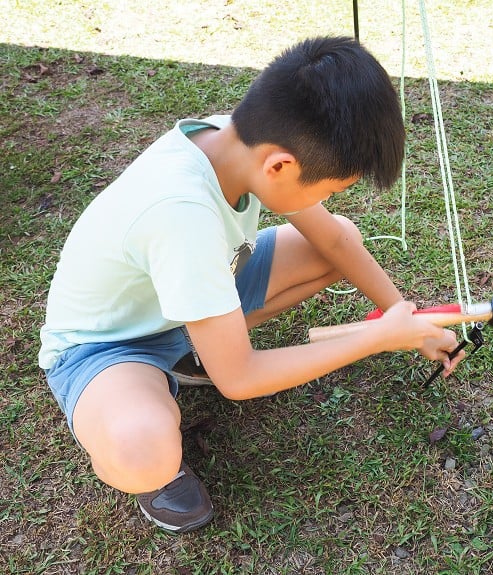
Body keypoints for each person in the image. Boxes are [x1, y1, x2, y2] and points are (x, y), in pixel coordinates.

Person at [38, 36, 465, 533]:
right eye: (331, 189)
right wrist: (377, 337)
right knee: (142, 447)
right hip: (108, 346)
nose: (329, 199)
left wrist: (410, 317)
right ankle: (155, 449)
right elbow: (238, 381)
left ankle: (197, 351)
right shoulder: (181, 213)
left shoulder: (236, 138)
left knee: (337, 241)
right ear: (280, 165)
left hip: (194, 292)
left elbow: (334, 242)